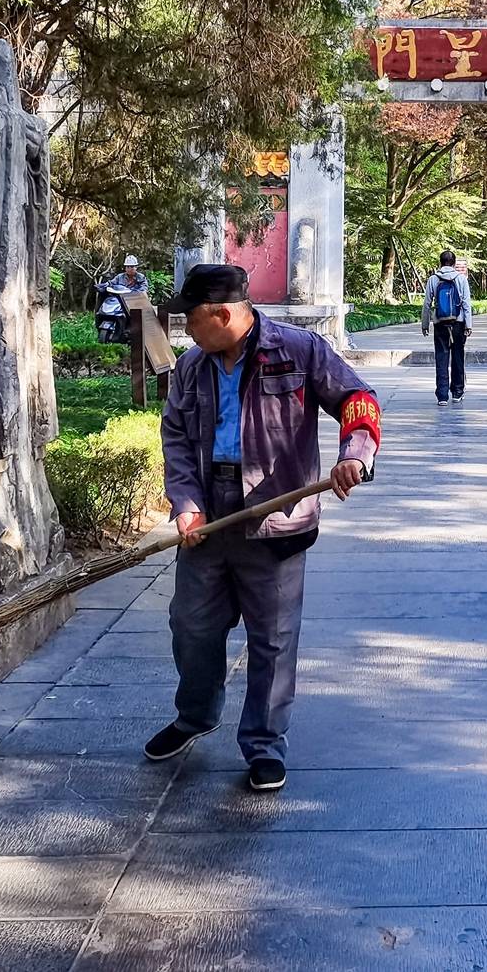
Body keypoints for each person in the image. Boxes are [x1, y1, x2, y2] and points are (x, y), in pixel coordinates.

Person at [148, 263, 382, 792]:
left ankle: (264, 744)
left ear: (221, 313)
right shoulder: (192, 367)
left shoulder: (298, 351)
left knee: (273, 641)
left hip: (277, 517)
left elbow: (358, 401)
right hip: (207, 519)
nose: (186, 330)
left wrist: (355, 455)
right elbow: (177, 439)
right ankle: (195, 716)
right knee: (191, 627)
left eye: (191, 320)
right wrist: (185, 502)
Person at [420, 250, 472, 405]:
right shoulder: (461, 279)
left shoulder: (433, 279)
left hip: (440, 323)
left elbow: (427, 304)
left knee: (441, 358)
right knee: (458, 357)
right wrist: (468, 325)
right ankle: (457, 392)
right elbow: (466, 304)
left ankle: (442, 396)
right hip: (458, 323)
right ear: (454, 263)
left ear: (440, 262)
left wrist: (425, 324)